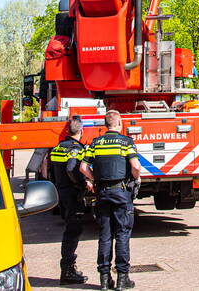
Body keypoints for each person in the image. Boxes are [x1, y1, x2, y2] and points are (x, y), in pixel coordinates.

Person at [81, 110, 142, 291]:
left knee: (105, 235)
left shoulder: (96, 143)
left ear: (105, 124)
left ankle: (105, 279)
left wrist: (94, 179)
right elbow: (136, 166)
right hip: (121, 192)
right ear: (119, 123)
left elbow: (83, 167)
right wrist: (136, 178)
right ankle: (123, 279)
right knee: (122, 234)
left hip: (102, 193)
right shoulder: (126, 142)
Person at [50, 115, 88, 285]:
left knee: (69, 230)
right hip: (72, 194)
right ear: (81, 131)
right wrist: (82, 183)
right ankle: (68, 271)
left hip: (61, 192)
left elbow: (52, 172)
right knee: (73, 232)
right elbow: (72, 168)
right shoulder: (76, 149)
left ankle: (68, 269)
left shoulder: (57, 148)